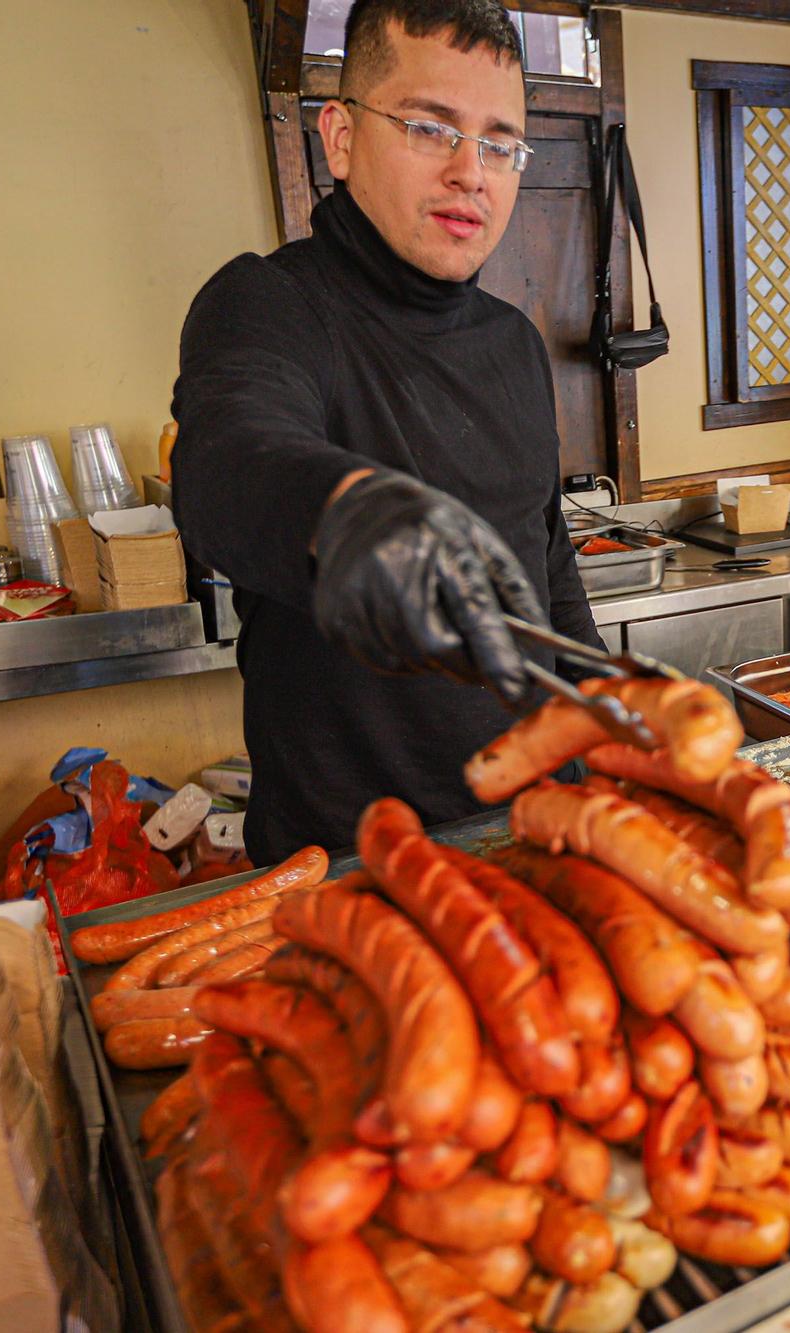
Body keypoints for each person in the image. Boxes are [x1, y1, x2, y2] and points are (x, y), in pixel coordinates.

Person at [172, 0, 600, 862]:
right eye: (430, 128)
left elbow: (544, 561)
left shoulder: (515, 344)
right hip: (346, 867)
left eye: (499, 144)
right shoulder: (269, 305)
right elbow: (226, 462)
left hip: (525, 841)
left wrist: (602, 721)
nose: (470, 174)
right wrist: (357, 516)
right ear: (339, 137)